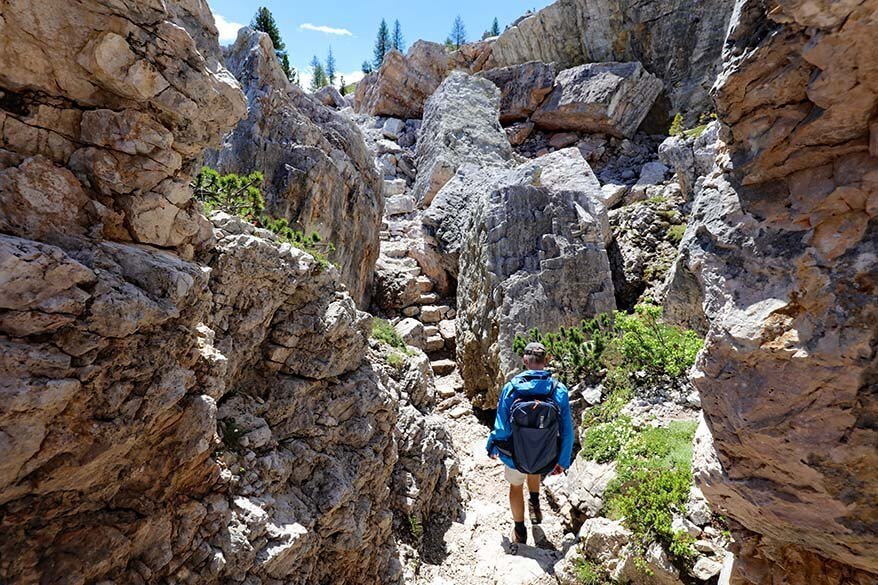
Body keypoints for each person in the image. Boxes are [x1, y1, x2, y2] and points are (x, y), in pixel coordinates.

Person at [485, 341, 574, 545]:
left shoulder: (511, 388)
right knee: (535, 464)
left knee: (515, 485)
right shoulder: (558, 390)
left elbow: (502, 428)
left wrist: (492, 445)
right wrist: (563, 461)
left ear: (525, 361)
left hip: (515, 453)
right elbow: (567, 430)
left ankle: (520, 531)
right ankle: (534, 502)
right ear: (547, 360)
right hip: (545, 453)